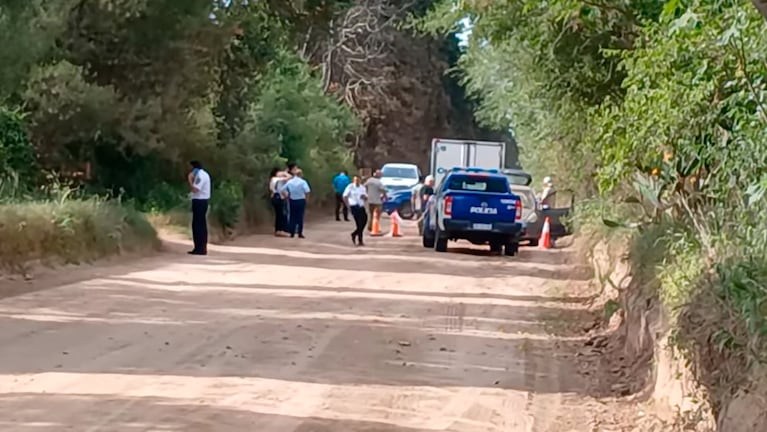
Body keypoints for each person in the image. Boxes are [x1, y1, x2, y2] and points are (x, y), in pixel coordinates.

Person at [187, 160, 211, 255]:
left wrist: (189, 179)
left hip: (200, 202)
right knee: (199, 225)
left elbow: (195, 189)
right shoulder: (203, 174)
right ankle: (199, 247)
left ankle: (200, 248)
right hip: (201, 201)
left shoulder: (200, 175)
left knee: (198, 225)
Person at [279, 168, 311, 238]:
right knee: (300, 216)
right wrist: (307, 200)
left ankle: (292, 233)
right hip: (301, 200)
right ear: (301, 174)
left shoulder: (290, 182)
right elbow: (307, 191)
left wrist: (286, 196)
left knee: (292, 216)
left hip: (292, 200)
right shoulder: (303, 182)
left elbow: (282, 190)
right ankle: (300, 233)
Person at [343, 175, 368, 246]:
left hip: (361, 206)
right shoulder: (350, 187)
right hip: (354, 206)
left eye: (358, 180)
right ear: (353, 180)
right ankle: (360, 240)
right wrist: (347, 206)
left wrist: (364, 197)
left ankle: (354, 234)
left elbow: (366, 197)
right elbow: (345, 196)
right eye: (355, 180)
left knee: (364, 221)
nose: (357, 181)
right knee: (359, 223)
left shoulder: (362, 188)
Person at [269, 168, 289, 237]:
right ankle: (279, 230)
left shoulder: (274, 179)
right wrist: (285, 173)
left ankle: (278, 230)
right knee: (280, 214)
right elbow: (289, 177)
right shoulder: (276, 179)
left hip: (275, 196)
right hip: (277, 197)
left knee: (279, 214)